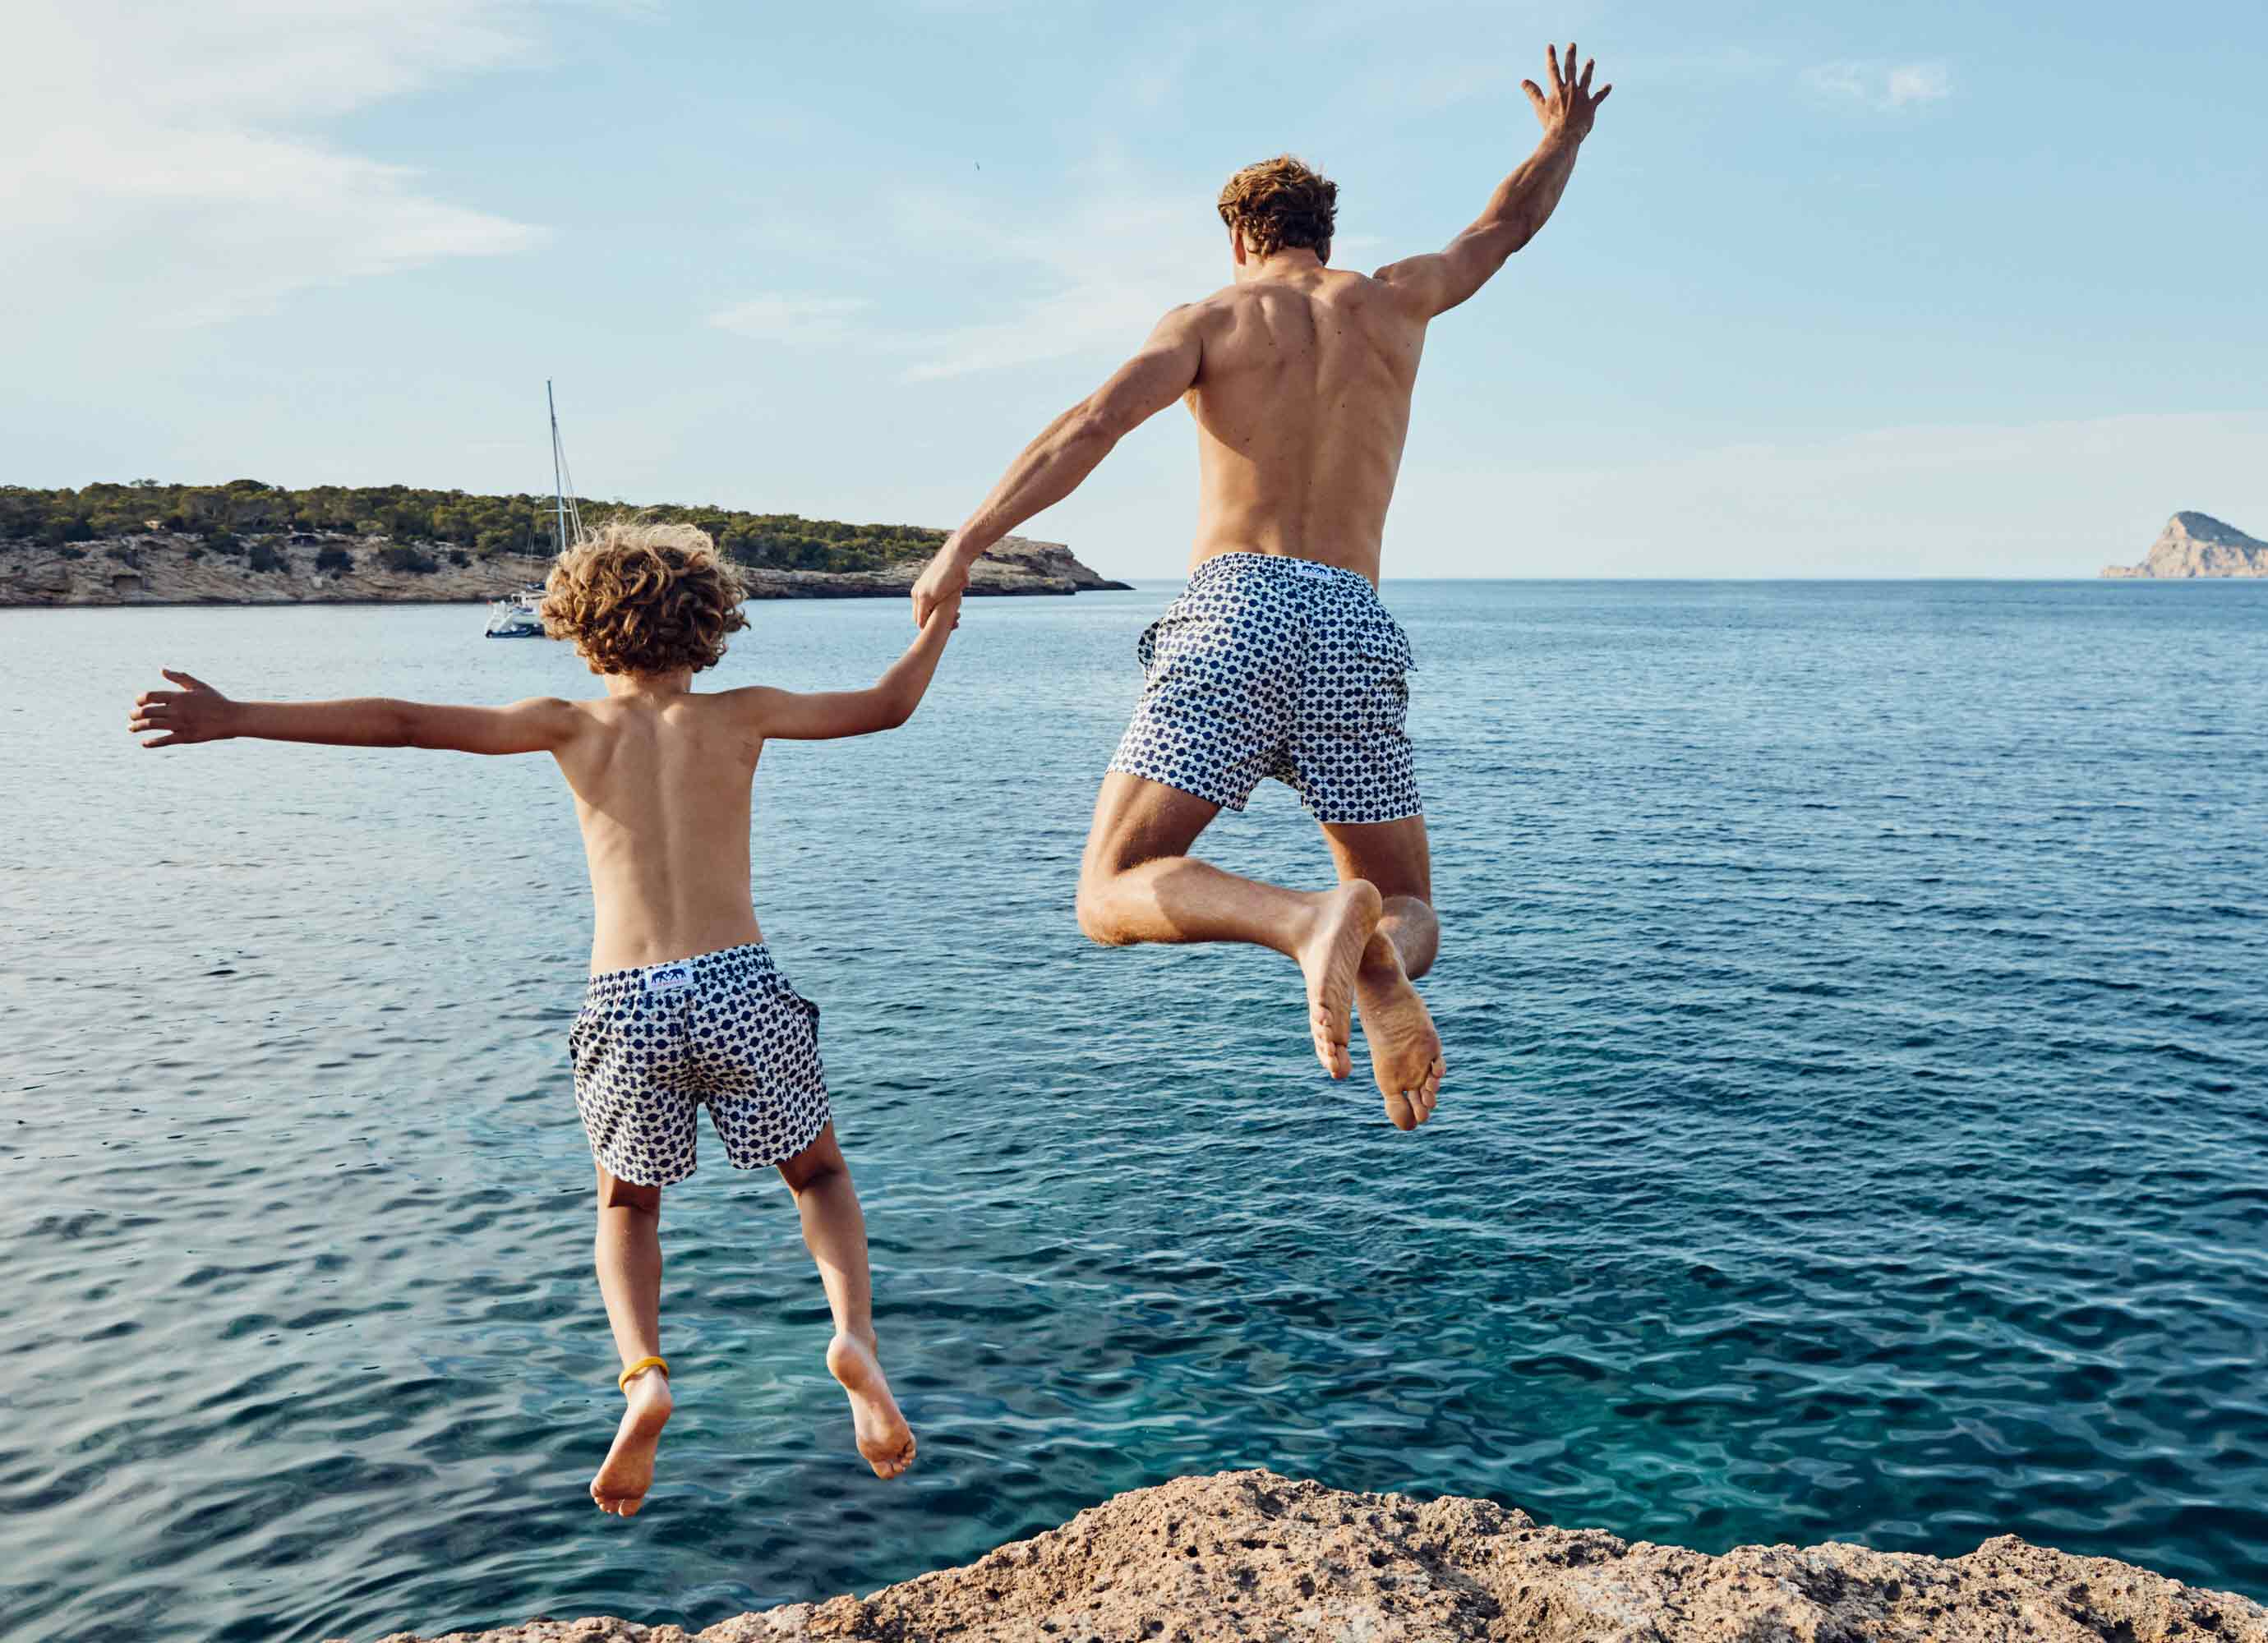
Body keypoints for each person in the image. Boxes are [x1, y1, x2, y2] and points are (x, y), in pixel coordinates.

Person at [127, 520, 957, 1515]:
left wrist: (240, 716)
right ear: (711, 625)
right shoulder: (746, 714)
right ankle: (854, 1336)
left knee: (627, 1204)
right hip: (738, 981)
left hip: (625, 997)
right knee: (815, 1170)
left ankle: (644, 1372)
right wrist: (936, 621)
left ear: (580, 630)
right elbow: (888, 706)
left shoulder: (566, 724)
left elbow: (400, 720)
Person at [908, 44, 1612, 1131]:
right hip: (1351, 618)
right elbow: (1502, 230)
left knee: (1111, 890)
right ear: (1325, 233)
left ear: (1238, 238)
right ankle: (1374, 958)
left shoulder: (1212, 319)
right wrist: (1559, 140)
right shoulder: (1395, 300)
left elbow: (1094, 424)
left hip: (1237, 609)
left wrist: (969, 540)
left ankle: (1301, 924)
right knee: (1413, 903)